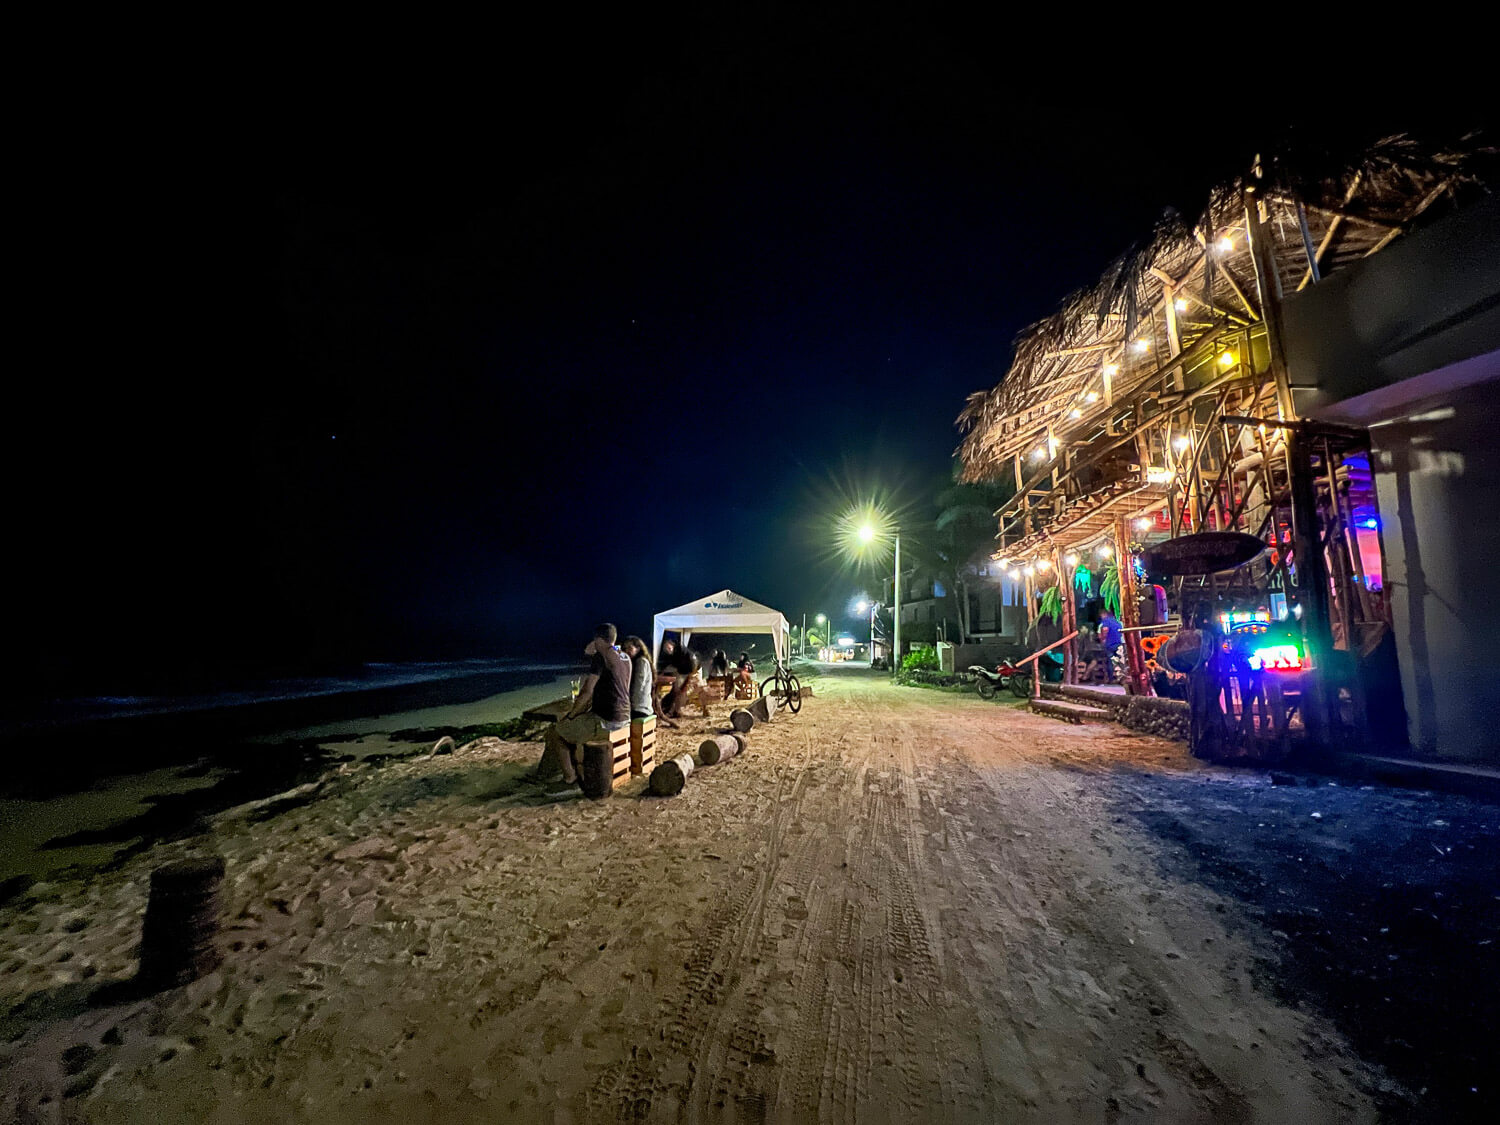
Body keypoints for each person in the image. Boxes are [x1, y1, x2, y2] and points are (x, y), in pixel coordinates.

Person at [538, 623, 631, 784]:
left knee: (556, 731)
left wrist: (571, 715)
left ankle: (569, 777)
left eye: (595, 639)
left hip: (606, 721)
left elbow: (588, 690)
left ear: (598, 639)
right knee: (574, 727)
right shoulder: (625, 657)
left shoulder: (600, 657)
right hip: (625, 718)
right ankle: (562, 769)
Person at [1098, 607, 1122, 684]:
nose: (1101, 616)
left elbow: (1105, 630)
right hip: (1118, 643)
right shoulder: (1117, 622)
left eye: (1101, 614)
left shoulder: (1106, 621)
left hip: (1110, 644)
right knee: (1119, 661)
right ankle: (1121, 678)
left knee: (1110, 661)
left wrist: (1103, 640)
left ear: (1105, 614)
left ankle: (1110, 678)